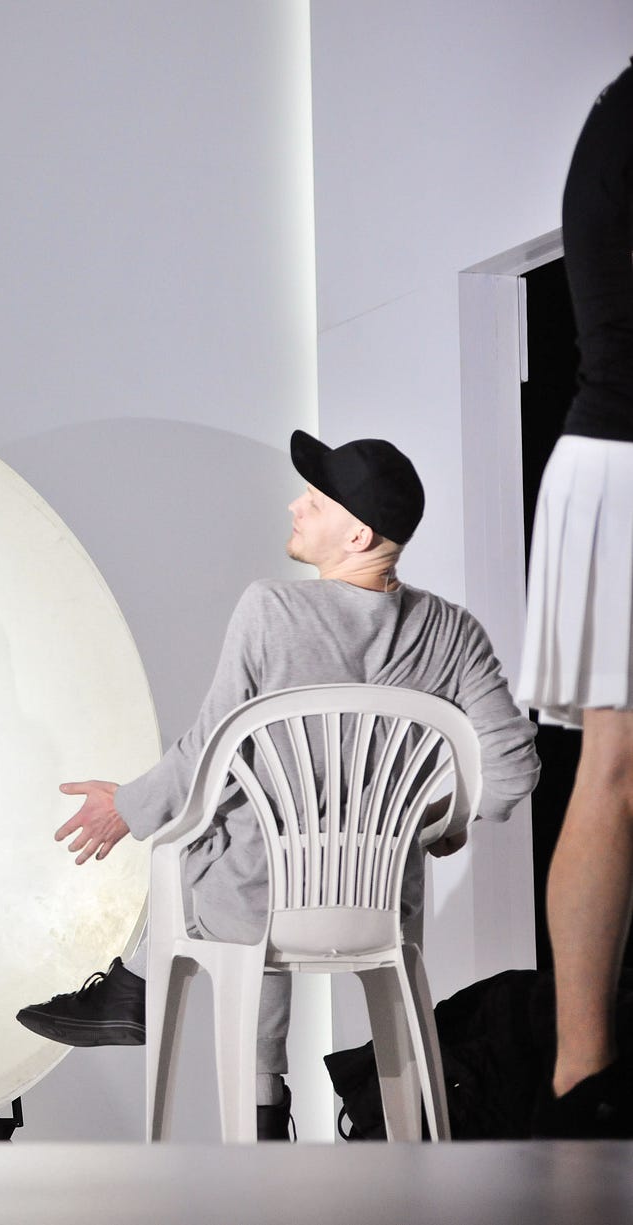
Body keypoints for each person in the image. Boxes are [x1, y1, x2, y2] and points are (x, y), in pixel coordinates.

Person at [15, 432, 540, 1139]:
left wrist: (126, 809)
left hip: (259, 902)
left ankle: (188, 1036)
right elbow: (513, 770)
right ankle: (172, 1021)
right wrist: (438, 826)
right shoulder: (454, 632)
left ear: (357, 535)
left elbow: (208, 750)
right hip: (379, 904)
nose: (296, 505)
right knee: (255, 828)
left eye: (315, 501)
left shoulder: (271, 609)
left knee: (222, 838)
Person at [517, 58, 633, 1139]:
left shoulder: (615, 108)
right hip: (623, 459)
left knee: (610, 766)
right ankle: (579, 1072)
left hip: (608, 461)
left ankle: (581, 1074)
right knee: (612, 767)